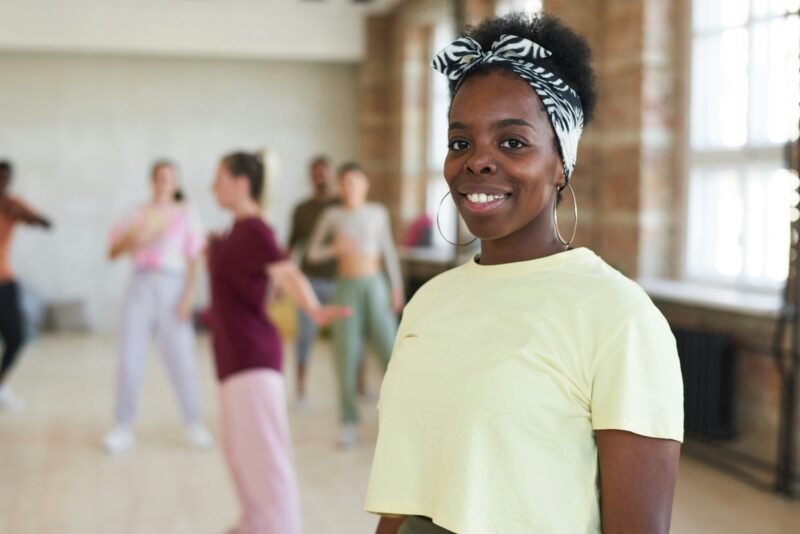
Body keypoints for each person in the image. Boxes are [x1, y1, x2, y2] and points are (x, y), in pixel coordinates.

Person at [366, 13, 683, 534]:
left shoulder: (619, 317)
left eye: (512, 142)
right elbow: (406, 494)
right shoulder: (432, 300)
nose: (478, 162)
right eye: (460, 142)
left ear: (562, 163)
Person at [208, 152, 349, 534]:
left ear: (241, 184)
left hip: (253, 359)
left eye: (219, 178)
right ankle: (253, 525)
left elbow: (287, 274)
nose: (213, 186)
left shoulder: (256, 230)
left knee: (265, 465)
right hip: (232, 359)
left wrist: (314, 309)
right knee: (239, 458)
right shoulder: (235, 231)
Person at [103, 160, 212, 454]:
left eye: (169, 178)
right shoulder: (135, 213)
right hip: (140, 284)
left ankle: (194, 422)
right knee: (130, 354)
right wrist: (132, 238)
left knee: (182, 356)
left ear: (176, 183)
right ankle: (123, 425)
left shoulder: (187, 214)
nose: (164, 183)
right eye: (159, 178)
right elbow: (112, 252)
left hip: (173, 285)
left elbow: (194, 258)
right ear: (152, 181)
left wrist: (189, 296)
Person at [306, 162, 404, 447]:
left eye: (355, 182)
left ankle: (398, 419)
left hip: (375, 285)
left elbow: (388, 251)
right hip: (346, 287)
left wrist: (396, 287)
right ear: (339, 186)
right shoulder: (332, 215)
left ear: (365, 184)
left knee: (391, 351)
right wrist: (334, 248)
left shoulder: (377, 212)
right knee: (344, 355)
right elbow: (312, 252)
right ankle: (348, 421)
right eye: (345, 182)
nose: (350, 187)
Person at [0, 160, 52, 411]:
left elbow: (45, 223)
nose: (2, 182)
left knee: (16, 337)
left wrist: (18, 213)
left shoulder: (12, 205)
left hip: (5, 281)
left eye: (5, 178)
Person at [287, 156, 339, 406]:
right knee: (304, 337)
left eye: (324, 172)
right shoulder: (301, 209)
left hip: (341, 281)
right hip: (309, 280)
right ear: (310, 176)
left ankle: (359, 384)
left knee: (349, 337)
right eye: (316, 173)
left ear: (332, 175)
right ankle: (300, 389)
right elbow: (291, 246)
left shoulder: (342, 205)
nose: (320, 177)